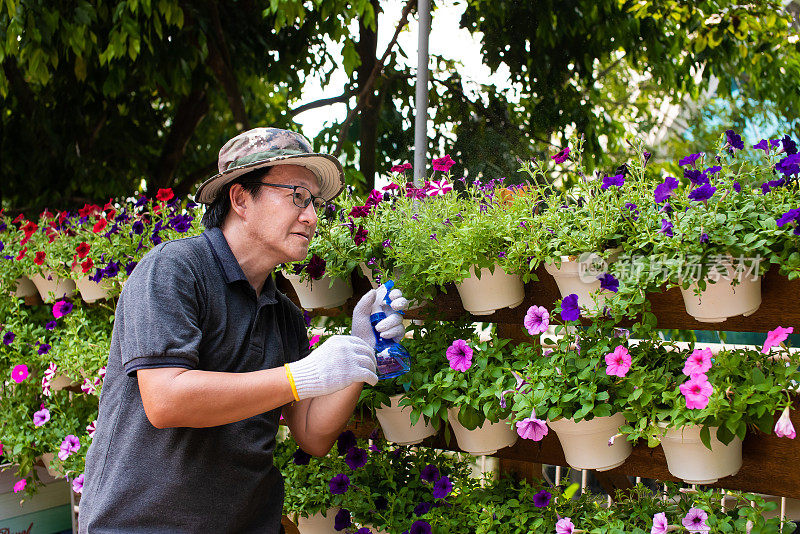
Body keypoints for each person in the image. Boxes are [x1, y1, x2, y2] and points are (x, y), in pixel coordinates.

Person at [78, 127, 407, 533]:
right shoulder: (174, 269)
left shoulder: (283, 312)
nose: (312, 216)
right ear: (240, 198)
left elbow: (312, 435)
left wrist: (360, 356)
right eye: (297, 196)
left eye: (315, 202)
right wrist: (301, 376)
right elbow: (166, 400)